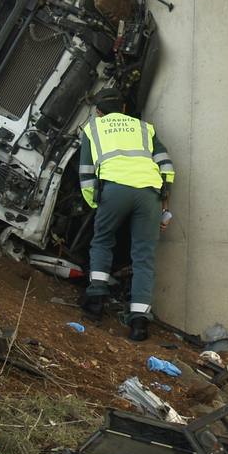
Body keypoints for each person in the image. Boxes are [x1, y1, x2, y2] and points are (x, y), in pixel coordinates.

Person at [78, 88, 174, 341]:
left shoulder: (92, 129)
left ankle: (96, 301)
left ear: (98, 112)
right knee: (144, 256)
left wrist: (96, 204)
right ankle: (139, 322)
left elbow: (87, 172)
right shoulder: (145, 128)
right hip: (149, 194)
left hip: (114, 190)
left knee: (102, 241)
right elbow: (166, 165)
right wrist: (164, 203)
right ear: (123, 108)